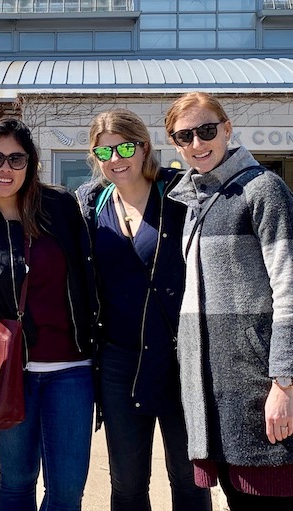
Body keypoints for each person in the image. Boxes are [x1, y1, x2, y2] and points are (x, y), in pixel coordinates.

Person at [0, 117, 97, 511]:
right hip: (9, 375)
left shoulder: (60, 207)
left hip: (71, 371)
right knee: (16, 482)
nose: (5, 169)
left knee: (66, 492)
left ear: (31, 163)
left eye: (16, 158)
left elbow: (90, 275)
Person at [76, 108, 212, 511]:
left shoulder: (180, 193)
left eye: (124, 147)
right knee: (128, 484)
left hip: (178, 361)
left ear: (143, 146)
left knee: (190, 480)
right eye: (104, 153)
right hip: (119, 364)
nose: (116, 159)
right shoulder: (89, 205)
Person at [165, 91, 293, 509]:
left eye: (206, 131)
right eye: (185, 136)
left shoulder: (263, 189)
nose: (198, 144)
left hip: (260, 388)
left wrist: (284, 383)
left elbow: (289, 290)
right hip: (217, 394)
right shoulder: (195, 201)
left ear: (227, 129)